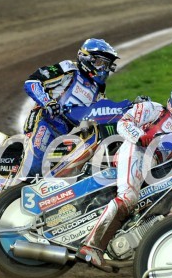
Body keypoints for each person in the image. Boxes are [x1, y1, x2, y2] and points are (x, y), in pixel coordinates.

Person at [78, 82, 172, 270]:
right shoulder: (156, 110)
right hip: (136, 151)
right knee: (128, 199)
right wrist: (140, 136)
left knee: (155, 210)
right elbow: (124, 122)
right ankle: (91, 247)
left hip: (153, 168)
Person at [22, 38, 119, 176]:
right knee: (34, 169)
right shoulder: (69, 69)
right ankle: (11, 191)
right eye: (100, 63)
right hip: (44, 122)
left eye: (107, 65)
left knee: (65, 170)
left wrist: (129, 109)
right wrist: (48, 102)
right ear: (86, 58)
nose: (104, 69)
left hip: (65, 134)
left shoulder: (99, 89)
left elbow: (105, 111)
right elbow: (32, 82)